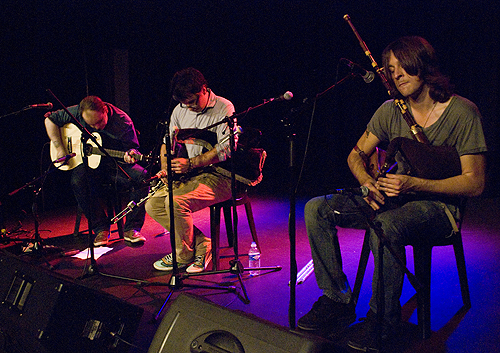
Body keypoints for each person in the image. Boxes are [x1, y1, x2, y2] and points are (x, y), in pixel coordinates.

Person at [297, 36, 487, 350]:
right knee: (317, 208)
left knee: (387, 226)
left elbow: (475, 182)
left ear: (423, 66)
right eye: (390, 69)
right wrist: (368, 184)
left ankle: (382, 320)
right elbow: (355, 155)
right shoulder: (389, 110)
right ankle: (336, 300)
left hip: (439, 208)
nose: (395, 74)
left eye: (402, 67)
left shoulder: (463, 112)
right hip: (394, 197)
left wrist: (415, 185)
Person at [145, 67, 236, 274]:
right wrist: (165, 167)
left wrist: (192, 163)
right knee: (153, 204)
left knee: (175, 201)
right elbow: (167, 142)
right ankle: (202, 244)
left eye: (192, 101)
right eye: (184, 103)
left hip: (222, 176)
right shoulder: (180, 109)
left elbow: (227, 148)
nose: (189, 107)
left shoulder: (224, 108)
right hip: (196, 173)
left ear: (204, 89)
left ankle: (183, 256)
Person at [45, 95, 148, 246]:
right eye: (91, 125)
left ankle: (132, 228)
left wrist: (131, 154)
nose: (96, 127)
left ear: (105, 110)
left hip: (114, 164)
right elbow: (50, 120)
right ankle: (100, 228)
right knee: (78, 181)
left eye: (99, 122)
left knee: (142, 177)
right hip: (88, 162)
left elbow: (132, 149)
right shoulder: (78, 111)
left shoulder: (123, 121)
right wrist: (59, 146)